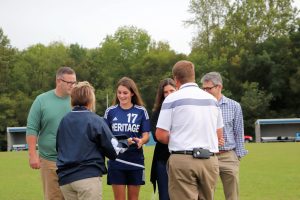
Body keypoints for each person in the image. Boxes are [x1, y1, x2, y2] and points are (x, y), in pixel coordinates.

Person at [155, 60, 224, 200]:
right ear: (193, 75)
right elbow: (219, 135)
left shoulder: (171, 99)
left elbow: (160, 135)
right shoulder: (212, 100)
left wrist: (178, 137)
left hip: (183, 159)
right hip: (209, 160)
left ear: (176, 79)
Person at [56, 81, 128, 200]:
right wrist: (125, 142)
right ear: (90, 100)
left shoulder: (64, 120)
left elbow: (58, 147)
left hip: (65, 179)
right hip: (87, 177)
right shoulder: (94, 120)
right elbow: (114, 149)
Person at [26, 66, 77, 200]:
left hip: (75, 160)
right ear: (58, 81)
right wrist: (32, 155)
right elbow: (32, 129)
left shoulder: (78, 101)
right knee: (54, 197)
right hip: (50, 160)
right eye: (69, 82)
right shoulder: (41, 100)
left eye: (75, 82)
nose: (73, 85)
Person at [201, 72, 248, 200]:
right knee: (206, 194)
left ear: (219, 87)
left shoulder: (234, 106)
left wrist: (237, 156)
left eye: (208, 88)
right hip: (208, 155)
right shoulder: (200, 106)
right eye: (203, 88)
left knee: (232, 195)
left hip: (228, 155)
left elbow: (239, 132)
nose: (205, 91)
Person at [104, 77, 150, 200]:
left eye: (125, 93)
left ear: (132, 93)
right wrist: (123, 142)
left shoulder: (141, 111)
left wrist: (142, 141)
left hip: (135, 160)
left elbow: (146, 135)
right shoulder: (110, 111)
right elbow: (106, 137)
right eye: (119, 92)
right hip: (117, 161)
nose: (122, 96)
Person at [150, 78, 176, 200]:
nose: (169, 94)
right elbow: (157, 137)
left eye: (172, 90)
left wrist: (167, 135)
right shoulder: (157, 112)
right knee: (164, 196)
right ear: (162, 94)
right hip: (162, 159)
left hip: (181, 159)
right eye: (166, 92)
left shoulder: (183, 110)